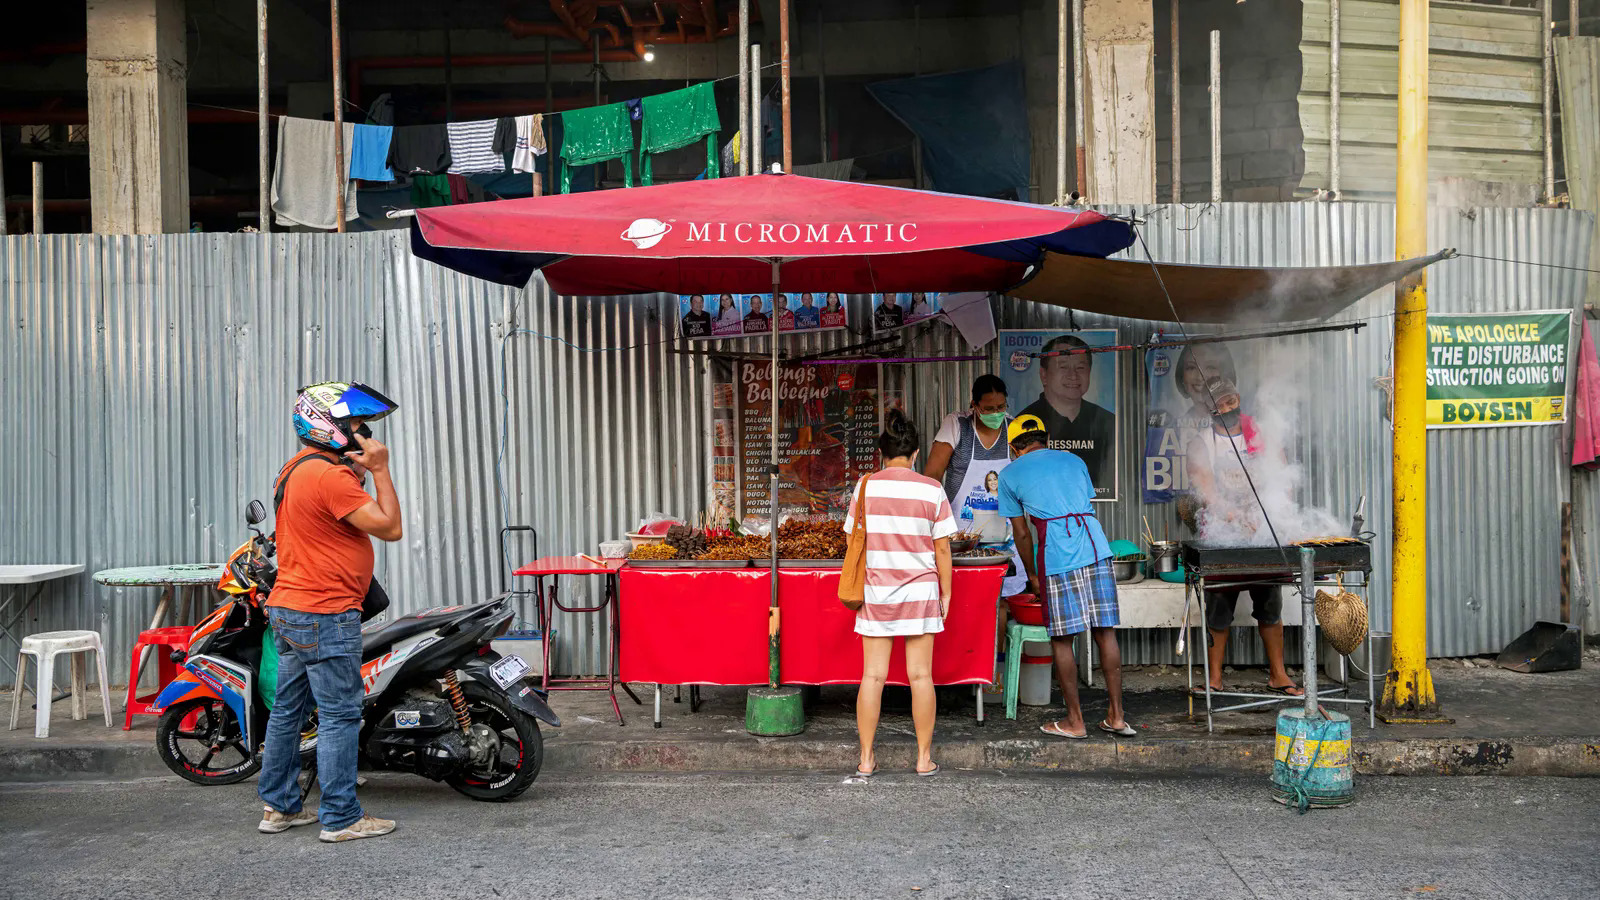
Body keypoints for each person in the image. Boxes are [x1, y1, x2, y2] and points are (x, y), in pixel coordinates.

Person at [256, 381, 403, 843]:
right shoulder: (330, 477)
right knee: (340, 714)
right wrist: (380, 470)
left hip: (291, 608)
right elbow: (390, 528)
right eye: (356, 425)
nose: (363, 434)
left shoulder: (296, 468)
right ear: (330, 427)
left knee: (287, 711)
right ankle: (340, 817)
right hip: (325, 612)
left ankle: (278, 807)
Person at [997, 414, 1134, 740]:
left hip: (1059, 554)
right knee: (1105, 632)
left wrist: (1032, 574)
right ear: (1043, 438)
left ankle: (1075, 721)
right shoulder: (1073, 460)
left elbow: (1022, 533)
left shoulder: (1010, 474)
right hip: (1096, 548)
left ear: (1015, 447)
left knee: (1061, 639)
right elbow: (1081, 503)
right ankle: (1116, 716)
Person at [847, 409, 955, 779]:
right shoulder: (931, 489)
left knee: (873, 677)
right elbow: (943, 549)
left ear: (882, 453)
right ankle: (923, 759)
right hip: (922, 592)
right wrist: (946, 594)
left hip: (878, 593)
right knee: (920, 677)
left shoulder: (865, 487)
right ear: (916, 453)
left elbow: (853, 539)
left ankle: (865, 759)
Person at [1185, 376, 1303, 696]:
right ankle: (1214, 678)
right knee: (1219, 607)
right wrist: (1234, 516)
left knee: (1270, 604)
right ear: (1209, 410)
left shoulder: (1259, 435)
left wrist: (1270, 512)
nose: (1228, 408)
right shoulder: (1202, 443)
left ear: (1238, 398)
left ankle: (1278, 675)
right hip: (1224, 534)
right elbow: (1207, 491)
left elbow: (1280, 478)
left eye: (1231, 401)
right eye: (1220, 405)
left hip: (1261, 532)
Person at [924, 375, 1028, 596]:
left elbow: (1024, 481)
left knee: (1001, 600)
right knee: (963, 597)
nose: (996, 413)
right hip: (959, 539)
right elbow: (932, 477)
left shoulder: (1013, 428)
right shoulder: (957, 424)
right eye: (988, 408)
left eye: (1001, 407)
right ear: (974, 406)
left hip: (1004, 537)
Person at [1019, 334, 1116, 495]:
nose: (1073, 376)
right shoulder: (1025, 422)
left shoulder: (1109, 421)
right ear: (1044, 375)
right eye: (1063, 367)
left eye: (1080, 368)